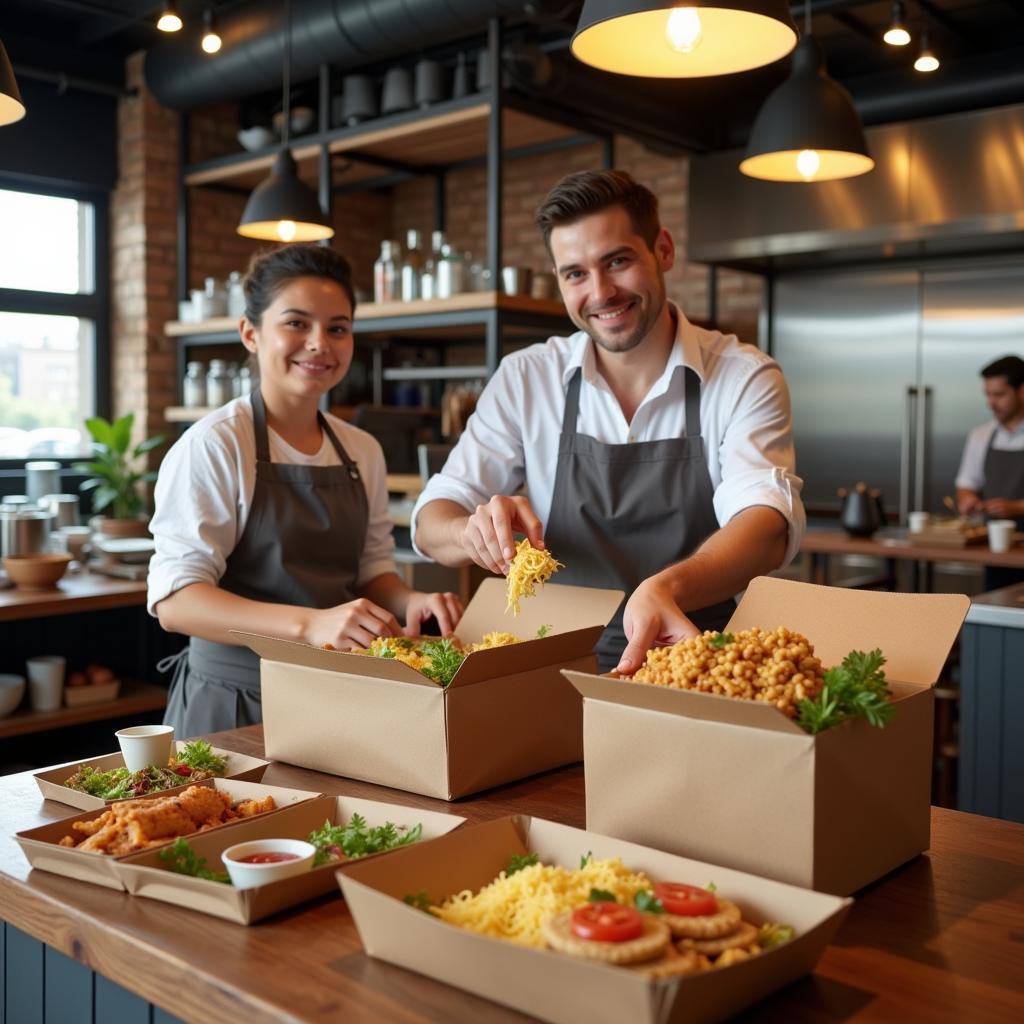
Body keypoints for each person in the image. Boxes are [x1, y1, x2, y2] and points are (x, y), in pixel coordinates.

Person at [412, 169, 804, 675]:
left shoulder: (742, 376)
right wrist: (471, 531)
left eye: (616, 261)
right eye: (575, 273)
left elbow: (766, 522)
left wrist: (668, 586)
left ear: (662, 250)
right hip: (553, 664)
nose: (600, 293)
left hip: (695, 664)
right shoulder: (527, 378)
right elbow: (431, 518)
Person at [149, 243, 462, 736]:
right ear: (251, 334)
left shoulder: (362, 450)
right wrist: (310, 626)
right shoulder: (214, 445)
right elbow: (177, 603)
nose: (319, 343)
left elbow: (370, 571)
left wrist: (408, 601)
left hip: (336, 698)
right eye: (296, 323)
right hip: (234, 705)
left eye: (337, 328)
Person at [955, 354, 1024, 591]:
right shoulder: (981, 435)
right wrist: (968, 500)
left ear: (1022, 391)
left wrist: (1016, 508)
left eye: (999, 395)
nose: (991, 403)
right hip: (995, 553)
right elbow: (967, 484)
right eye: (988, 395)